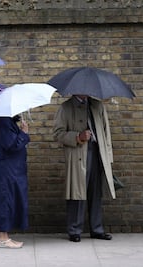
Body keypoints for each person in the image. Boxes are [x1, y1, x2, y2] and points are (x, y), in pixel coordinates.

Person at [53, 95, 115, 242]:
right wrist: (78, 137)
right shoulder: (65, 108)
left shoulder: (98, 106)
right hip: (77, 155)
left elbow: (106, 133)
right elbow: (58, 134)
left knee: (96, 192)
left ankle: (97, 229)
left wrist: (108, 157)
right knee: (77, 193)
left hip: (98, 154)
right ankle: (74, 230)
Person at [0, 115, 29, 249]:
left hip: (7, 169)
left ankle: (5, 236)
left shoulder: (6, 122)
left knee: (7, 200)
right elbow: (11, 146)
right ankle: (2, 238)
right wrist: (24, 133)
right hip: (4, 170)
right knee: (4, 201)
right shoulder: (3, 123)